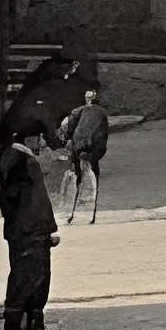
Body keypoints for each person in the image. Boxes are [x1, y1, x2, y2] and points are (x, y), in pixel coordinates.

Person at [0, 120, 64, 330]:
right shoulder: (23, 160)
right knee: (35, 275)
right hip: (30, 229)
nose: (41, 141)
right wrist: (46, 229)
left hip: (20, 228)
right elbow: (36, 200)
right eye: (39, 137)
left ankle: (19, 320)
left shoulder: (9, 156)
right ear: (29, 139)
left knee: (23, 274)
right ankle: (30, 321)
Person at [60, 84, 111, 225]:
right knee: (94, 175)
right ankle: (91, 215)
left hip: (79, 145)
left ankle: (72, 213)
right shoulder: (103, 113)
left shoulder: (78, 111)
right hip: (95, 148)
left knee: (77, 176)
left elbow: (66, 126)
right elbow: (105, 134)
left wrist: (67, 139)